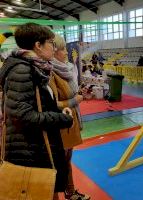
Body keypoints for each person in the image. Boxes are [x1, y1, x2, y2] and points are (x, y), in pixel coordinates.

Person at [0, 23, 73, 200]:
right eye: (51, 43)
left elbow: (36, 104)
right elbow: (22, 115)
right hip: (29, 150)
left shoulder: (35, 67)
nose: (54, 48)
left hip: (36, 147)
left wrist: (58, 109)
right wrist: (61, 119)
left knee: (47, 188)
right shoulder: (22, 69)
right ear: (38, 45)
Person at [49, 34, 90, 200]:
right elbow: (52, 104)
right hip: (60, 126)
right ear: (53, 51)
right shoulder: (51, 73)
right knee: (59, 164)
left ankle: (71, 192)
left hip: (70, 124)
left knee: (66, 161)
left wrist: (81, 94)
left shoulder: (65, 70)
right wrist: (75, 100)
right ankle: (65, 193)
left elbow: (70, 96)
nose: (67, 52)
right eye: (63, 49)